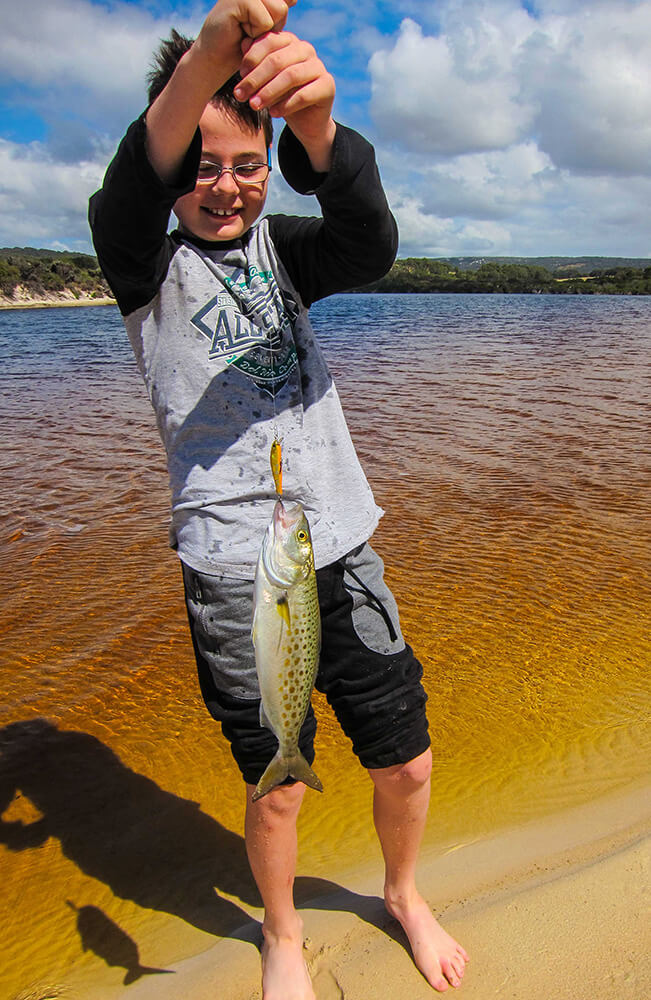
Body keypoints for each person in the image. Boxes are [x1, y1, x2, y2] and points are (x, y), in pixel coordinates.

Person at [89, 1, 469, 996]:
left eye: (246, 162)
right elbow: (129, 186)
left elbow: (371, 240)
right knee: (279, 790)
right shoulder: (147, 264)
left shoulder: (287, 251)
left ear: (267, 163)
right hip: (234, 576)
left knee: (410, 760)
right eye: (203, 164)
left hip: (340, 547)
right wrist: (217, 50)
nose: (226, 185)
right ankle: (286, 934)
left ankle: (403, 891)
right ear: (174, 171)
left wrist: (316, 127)